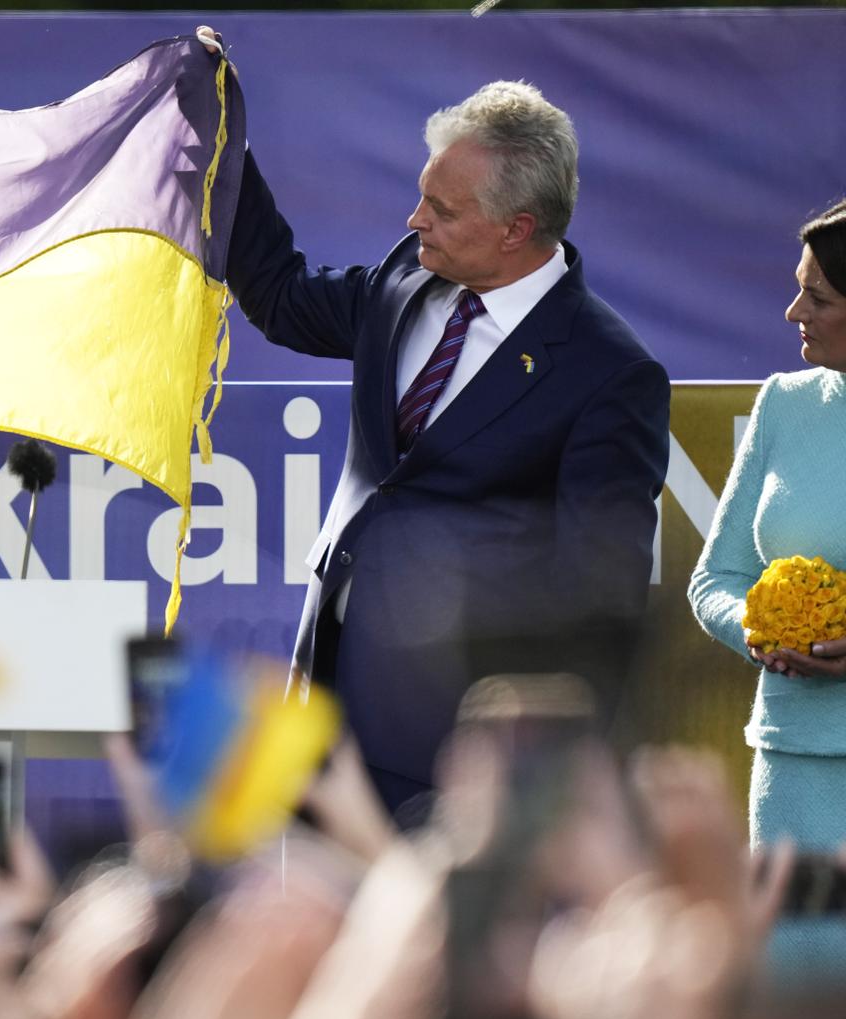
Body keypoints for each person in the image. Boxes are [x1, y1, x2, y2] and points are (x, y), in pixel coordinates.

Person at [220, 71, 670, 817]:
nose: (414, 217)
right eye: (424, 192)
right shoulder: (406, 277)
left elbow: (604, 598)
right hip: (323, 708)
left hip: (453, 755)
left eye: (441, 207)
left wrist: (535, 786)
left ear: (516, 228)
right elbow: (282, 298)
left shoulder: (609, 372)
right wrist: (224, 146)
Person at [688, 199, 846, 850]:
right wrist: (763, 628)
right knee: (794, 952)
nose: (794, 313)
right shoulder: (783, 402)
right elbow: (715, 580)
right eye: (796, 290)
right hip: (793, 766)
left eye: (818, 297)